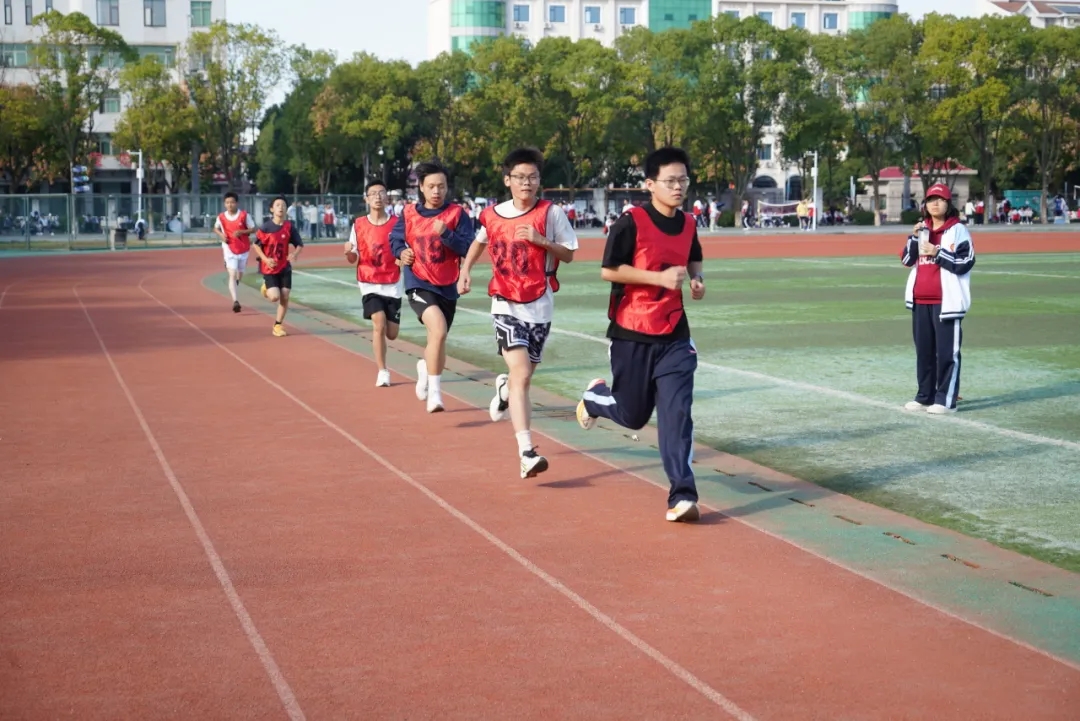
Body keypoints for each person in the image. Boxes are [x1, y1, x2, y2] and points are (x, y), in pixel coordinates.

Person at [575, 147, 706, 523]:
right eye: (671, 180)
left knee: (677, 414)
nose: (678, 187)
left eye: (683, 180)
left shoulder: (689, 223)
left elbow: (693, 256)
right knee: (633, 416)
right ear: (650, 184)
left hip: (675, 334)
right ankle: (595, 398)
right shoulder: (631, 222)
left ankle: (682, 495)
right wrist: (658, 278)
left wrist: (697, 279)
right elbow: (609, 270)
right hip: (632, 332)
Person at [458, 148, 578, 479]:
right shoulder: (493, 214)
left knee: (522, 377)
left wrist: (541, 241)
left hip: (540, 304)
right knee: (522, 374)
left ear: (539, 180)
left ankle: (503, 390)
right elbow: (480, 241)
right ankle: (526, 452)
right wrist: (465, 270)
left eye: (533, 177)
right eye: (520, 177)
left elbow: (568, 254)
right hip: (504, 302)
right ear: (507, 180)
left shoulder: (551, 214)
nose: (527, 183)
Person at [389, 160, 475, 412]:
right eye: (431, 186)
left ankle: (425, 368)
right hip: (418, 281)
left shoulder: (457, 214)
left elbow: (468, 248)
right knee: (438, 330)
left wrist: (446, 234)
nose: (437, 191)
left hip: (448, 284)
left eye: (441, 186)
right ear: (421, 188)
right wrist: (402, 251)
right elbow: (395, 239)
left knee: (438, 337)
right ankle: (436, 395)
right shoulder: (408, 213)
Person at [901, 183, 975, 414]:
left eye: (940, 199)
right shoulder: (922, 229)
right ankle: (925, 396)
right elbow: (906, 260)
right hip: (920, 300)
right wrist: (914, 238)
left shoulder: (957, 230)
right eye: (931, 199)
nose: (935, 203)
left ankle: (946, 400)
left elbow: (965, 262)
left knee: (946, 354)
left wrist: (937, 252)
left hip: (947, 302)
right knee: (924, 353)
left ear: (948, 204)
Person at [344, 182, 402, 387]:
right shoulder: (359, 224)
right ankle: (382, 371)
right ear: (366, 199)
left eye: (381, 193)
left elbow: (404, 251)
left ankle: (383, 364)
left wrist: (403, 259)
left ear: (387, 198)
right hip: (368, 281)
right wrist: (349, 252)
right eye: (373, 193)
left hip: (392, 282)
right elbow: (353, 258)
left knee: (392, 334)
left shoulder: (397, 224)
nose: (377, 197)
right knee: (378, 322)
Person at [253, 195, 304, 337]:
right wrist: (265, 259)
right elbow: (256, 245)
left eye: (283, 205)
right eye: (277, 205)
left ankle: (277, 325)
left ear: (287, 209)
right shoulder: (266, 227)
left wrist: (294, 254)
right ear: (272, 209)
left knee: (285, 295)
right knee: (274, 297)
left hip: (284, 267)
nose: (281, 207)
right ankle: (266, 287)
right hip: (269, 268)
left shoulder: (289, 227)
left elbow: (299, 244)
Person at [213, 191, 257, 313]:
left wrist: (241, 232)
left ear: (236, 203)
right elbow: (215, 228)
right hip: (229, 248)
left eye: (232, 202)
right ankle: (235, 301)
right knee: (232, 274)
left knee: (240, 273)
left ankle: (235, 284)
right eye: (227, 202)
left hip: (243, 248)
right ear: (224, 204)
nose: (230, 205)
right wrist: (222, 235)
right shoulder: (221, 217)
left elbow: (253, 229)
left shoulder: (244, 215)